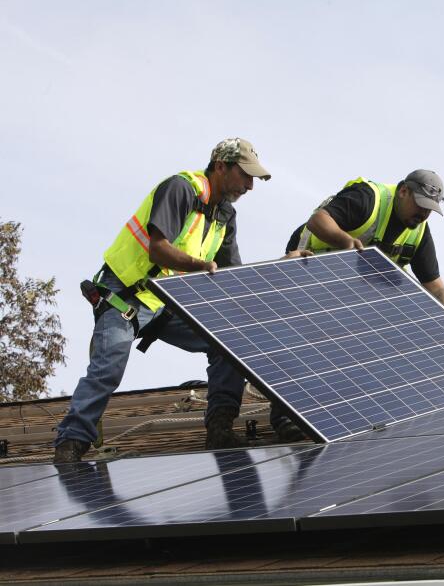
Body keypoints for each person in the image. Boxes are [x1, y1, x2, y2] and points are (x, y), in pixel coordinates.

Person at [54, 138, 306, 463]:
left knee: (228, 342)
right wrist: (199, 266)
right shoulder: (181, 189)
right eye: (245, 175)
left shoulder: (224, 215)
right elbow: (157, 248)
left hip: (168, 304)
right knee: (108, 368)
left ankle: (219, 429)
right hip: (125, 295)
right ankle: (71, 443)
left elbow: (234, 281)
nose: (249, 186)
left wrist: (283, 265)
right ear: (220, 167)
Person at [271, 170, 444, 440]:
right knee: (307, 342)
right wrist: (346, 242)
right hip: (313, 270)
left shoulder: (418, 231)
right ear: (403, 191)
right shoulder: (369, 200)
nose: (423, 214)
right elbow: (318, 221)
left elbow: (435, 286)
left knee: (370, 341)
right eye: (420, 205)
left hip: (354, 288)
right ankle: (286, 415)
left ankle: (349, 410)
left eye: (429, 210)